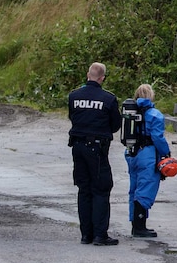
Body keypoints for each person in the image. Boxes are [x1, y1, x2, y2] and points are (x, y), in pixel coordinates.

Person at [68, 62, 121, 246]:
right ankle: (100, 235)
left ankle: (86, 234)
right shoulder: (108, 99)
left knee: (84, 190)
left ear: (87, 75)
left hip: (78, 148)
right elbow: (115, 125)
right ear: (102, 78)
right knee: (101, 189)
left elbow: (72, 117)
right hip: (97, 150)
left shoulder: (73, 96)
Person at [125, 84, 171, 238]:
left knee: (134, 189)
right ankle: (140, 228)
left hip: (131, 153)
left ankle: (135, 225)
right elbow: (157, 137)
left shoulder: (130, 112)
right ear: (151, 96)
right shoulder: (155, 115)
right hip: (147, 155)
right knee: (145, 189)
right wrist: (166, 153)